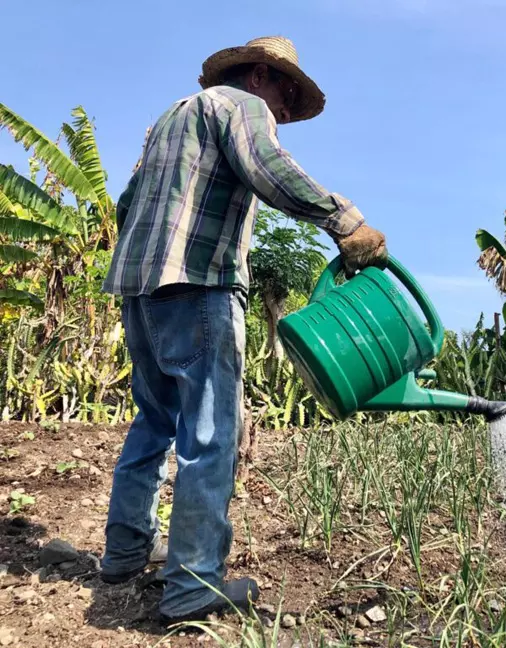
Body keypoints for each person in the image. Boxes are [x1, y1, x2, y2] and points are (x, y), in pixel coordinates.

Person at [99, 36, 387, 624]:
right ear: (260, 75)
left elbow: (127, 205)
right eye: (286, 93)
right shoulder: (242, 107)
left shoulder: (169, 119)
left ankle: (124, 554)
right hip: (200, 284)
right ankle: (192, 583)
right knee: (211, 436)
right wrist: (344, 220)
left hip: (139, 287)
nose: (284, 111)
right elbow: (269, 169)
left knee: (153, 422)